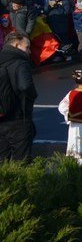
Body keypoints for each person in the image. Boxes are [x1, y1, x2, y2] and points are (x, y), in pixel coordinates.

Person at [0, 31, 38, 162]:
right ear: (16, 45)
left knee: (2, 159)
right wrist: (33, 96)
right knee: (22, 160)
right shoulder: (20, 62)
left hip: (2, 116)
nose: (29, 52)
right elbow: (25, 86)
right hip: (18, 117)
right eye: (27, 47)